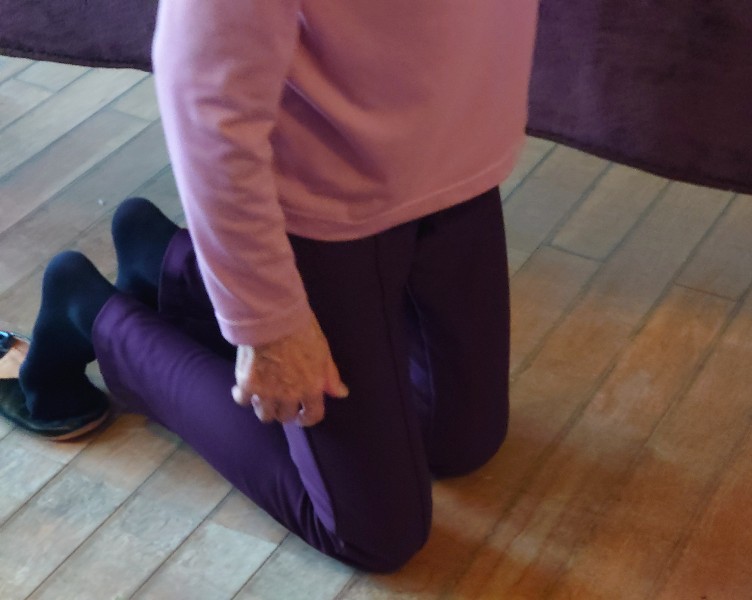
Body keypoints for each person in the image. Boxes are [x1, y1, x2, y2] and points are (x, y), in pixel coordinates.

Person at [0, 0, 539, 572]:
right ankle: (90, 310)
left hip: (460, 168)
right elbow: (202, 95)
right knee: (377, 533)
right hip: (324, 205)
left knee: (460, 442)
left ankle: (162, 260)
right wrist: (265, 321)